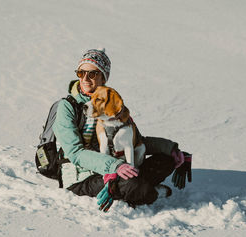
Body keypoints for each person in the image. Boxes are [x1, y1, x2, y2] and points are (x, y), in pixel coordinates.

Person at [52, 48, 192, 211]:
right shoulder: (67, 107)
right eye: (81, 73)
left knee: (166, 160)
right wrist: (114, 166)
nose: (85, 78)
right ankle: (150, 193)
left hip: (115, 167)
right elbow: (76, 153)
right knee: (134, 185)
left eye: (93, 74)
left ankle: (134, 187)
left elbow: (134, 140)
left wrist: (170, 149)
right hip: (82, 178)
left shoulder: (111, 103)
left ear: (104, 77)